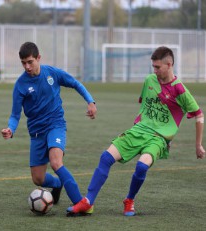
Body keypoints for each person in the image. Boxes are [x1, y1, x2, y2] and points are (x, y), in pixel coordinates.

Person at [67, 46, 205, 217]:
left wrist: (198, 145)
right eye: (153, 66)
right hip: (139, 131)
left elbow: (199, 115)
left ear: (169, 65)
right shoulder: (149, 80)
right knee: (105, 157)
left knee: (141, 167)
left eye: (157, 67)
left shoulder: (180, 90)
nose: (154, 70)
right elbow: (145, 106)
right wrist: (138, 125)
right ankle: (88, 202)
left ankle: (129, 200)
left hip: (158, 138)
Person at [1, 42, 97, 207]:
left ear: (39, 58)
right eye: (23, 63)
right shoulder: (20, 85)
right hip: (36, 133)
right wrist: (11, 128)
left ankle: (81, 203)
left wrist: (90, 101)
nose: (27, 66)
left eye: (30, 62)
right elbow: (15, 115)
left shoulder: (52, 73)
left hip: (55, 125)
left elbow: (75, 83)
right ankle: (58, 184)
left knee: (55, 162)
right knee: (38, 179)